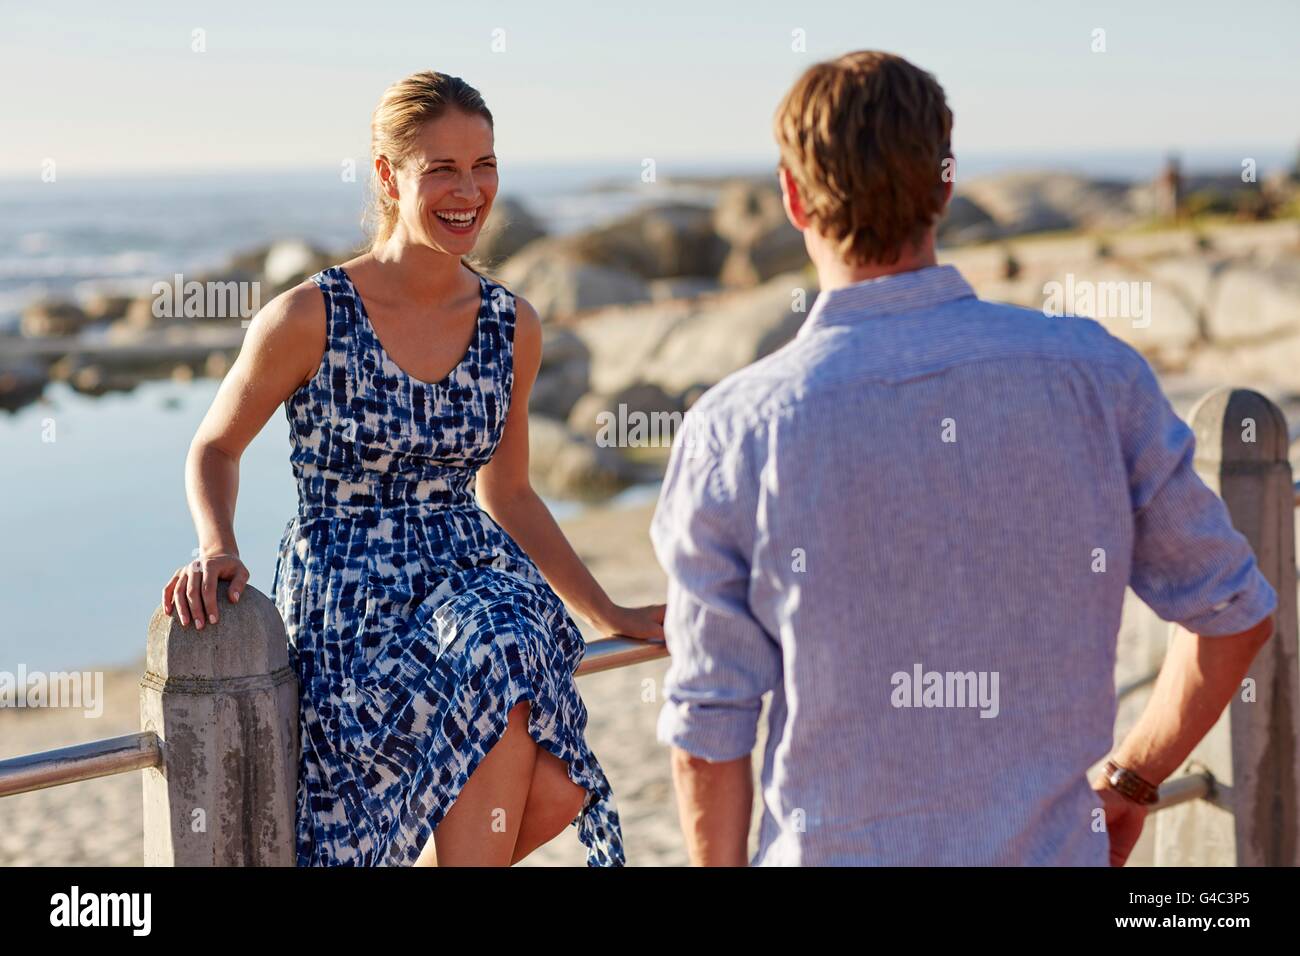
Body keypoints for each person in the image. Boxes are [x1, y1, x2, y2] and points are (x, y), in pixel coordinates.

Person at [649, 50, 1277, 866]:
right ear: (945, 185)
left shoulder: (734, 430)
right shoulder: (1095, 374)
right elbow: (1234, 611)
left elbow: (708, 732)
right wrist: (1130, 782)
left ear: (793, 199)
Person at [161, 70, 663, 867]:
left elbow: (510, 492)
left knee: (558, 775)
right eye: (442, 169)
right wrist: (216, 542)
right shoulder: (309, 316)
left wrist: (608, 611)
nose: (469, 192)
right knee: (501, 670)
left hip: (473, 575)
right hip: (353, 595)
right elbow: (215, 447)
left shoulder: (510, 326)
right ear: (390, 177)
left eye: (484, 165)